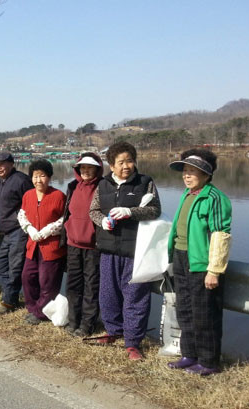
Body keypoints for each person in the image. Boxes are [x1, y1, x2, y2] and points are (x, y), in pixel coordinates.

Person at [89, 142, 161, 361]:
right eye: (120, 162)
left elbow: (155, 210)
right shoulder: (103, 184)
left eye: (129, 161)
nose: (126, 166)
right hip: (108, 249)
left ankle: (132, 342)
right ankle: (113, 331)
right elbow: (93, 210)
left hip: (136, 250)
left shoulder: (145, 182)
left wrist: (130, 212)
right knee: (108, 294)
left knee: (135, 297)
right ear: (111, 165)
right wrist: (102, 221)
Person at [166, 149, 231, 376]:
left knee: (204, 313)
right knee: (185, 309)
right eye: (185, 171)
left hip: (201, 263)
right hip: (181, 257)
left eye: (192, 171)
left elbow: (221, 235)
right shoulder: (188, 194)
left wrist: (214, 270)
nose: (186, 175)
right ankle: (189, 354)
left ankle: (208, 361)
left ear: (206, 174)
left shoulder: (214, 198)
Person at [17, 159, 66, 325]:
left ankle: (42, 312)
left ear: (49, 177)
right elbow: (22, 214)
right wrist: (29, 229)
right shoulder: (28, 195)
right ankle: (32, 308)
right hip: (32, 245)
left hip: (51, 247)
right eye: (35, 176)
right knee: (27, 276)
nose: (38, 180)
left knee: (48, 281)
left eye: (42, 176)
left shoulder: (58, 196)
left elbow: (65, 219)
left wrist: (48, 231)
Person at [60, 153, 103, 337]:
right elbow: (67, 214)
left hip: (93, 246)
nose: (85, 171)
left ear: (97, 169)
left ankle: (87, 324)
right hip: (73, 244)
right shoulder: (72, 186)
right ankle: (73, 320)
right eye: (82, 167)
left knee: (91, 286)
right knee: (73, 284)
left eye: (90, 168)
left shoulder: (103, 187)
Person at [0, 152, 33, 315]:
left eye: (2, 164)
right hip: (7, 232)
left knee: (14, 268)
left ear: (11, 164)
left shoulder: (21, 180)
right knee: (1, 265)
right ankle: (9, 296)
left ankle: (9, 301)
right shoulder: (0, 182)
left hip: (19, 231)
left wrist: (26, 226)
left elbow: (31, 203)